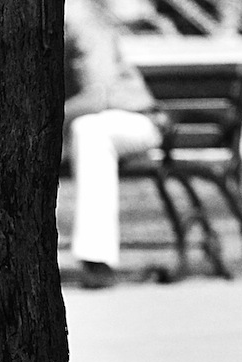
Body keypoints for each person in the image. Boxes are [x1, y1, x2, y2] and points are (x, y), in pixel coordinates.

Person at [63, 0, 162, 289]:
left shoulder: (85, 26)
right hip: (84, 128)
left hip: (134, 120)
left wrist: (36, 119)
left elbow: (96, 98)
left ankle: (97, 260)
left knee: (90, 130)